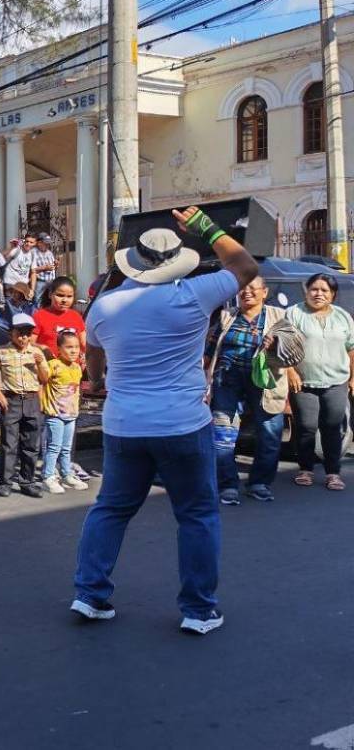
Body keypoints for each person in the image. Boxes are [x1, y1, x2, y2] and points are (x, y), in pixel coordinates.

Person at [73, 207, 257, 635]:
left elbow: (95, 361)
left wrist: (99, 381)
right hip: (182, 423)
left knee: (111, 510)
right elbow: (245, 265)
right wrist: (205, 227)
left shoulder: (104, 307)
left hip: (124, 424)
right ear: (178, 260)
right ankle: (198, 609)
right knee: (196, 515)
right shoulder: (195, 293)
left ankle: (90, 593)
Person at [203, 276, 290, 503]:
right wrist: (201, 381)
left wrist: (276, 344)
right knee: (222, 436)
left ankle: (259, 483)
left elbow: (294, 351)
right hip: (227, 380)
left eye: (253, 288)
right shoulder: (227, 316)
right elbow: (209, 351)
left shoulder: (279, 316)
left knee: (269, 434)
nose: (246, 292)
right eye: (242, 288)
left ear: (264, 292)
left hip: (265, 382)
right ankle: (228, 485)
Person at [286, 273, 354, 491]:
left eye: (324, 290)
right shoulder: (294, 313)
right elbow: (282, 346)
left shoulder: (343, 317)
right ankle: (305, 469)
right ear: (306, 291)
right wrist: (290, 372)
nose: (318, 294)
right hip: (303, 382)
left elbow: (351, 348)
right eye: (314, 289)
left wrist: (353, 376)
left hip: (336, 381)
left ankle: (333, 473)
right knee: (306, 427)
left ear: (332, 294)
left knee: (332, 428)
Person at [0, 312, 47, 499]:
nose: (24, 338)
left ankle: (27, 481)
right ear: (11, 333)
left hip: (31, 400)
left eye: (28, 334)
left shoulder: (37, 353)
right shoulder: (2, 351)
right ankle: (5, 482)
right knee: (9, 444)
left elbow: (44, 379)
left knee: (31, 444)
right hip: (11, 401)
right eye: (20, 333)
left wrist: (39, 366)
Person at [41, 331, 86, 494]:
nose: (74, 351)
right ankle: (48, 476)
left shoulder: (77, 368)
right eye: (69, 347)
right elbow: (42, 382)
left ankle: (67, 474)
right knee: (54, 447)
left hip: (71, 415)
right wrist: (45, 405)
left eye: (76, 347)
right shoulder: (53, 365)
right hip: (55, 415)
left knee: (66, 448)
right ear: (59, 349)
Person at [33, 276, 86, 356]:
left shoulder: (76, 316)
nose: (64, 300)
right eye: (60, 295)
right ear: (50, 294)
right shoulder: (39, 316)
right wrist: (42, 348)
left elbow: (84, 343)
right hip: (48, 366)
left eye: (69, 296)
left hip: (73, 367)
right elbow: (29, 343)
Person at [2, 233, 38, 300]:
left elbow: (33, 273)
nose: (28, 244)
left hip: (22, 286)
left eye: (31, 242)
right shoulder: (17, 250)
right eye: (27, 241)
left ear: (35, 243)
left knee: (21, 307)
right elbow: (3, 256)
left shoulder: (33, 255)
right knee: (11, 307)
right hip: (10, 283)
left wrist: (32, 290)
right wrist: (11, 247)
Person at [33, 233, 58, 301]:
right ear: (39, 243)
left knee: (50, 301)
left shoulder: (49, 252)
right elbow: (31, 270)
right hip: (40, 282)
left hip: (51, 281)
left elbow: (52, 267)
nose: (47, 245)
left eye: (48, 243)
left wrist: (56, 264)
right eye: (45, 243)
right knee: (38, 302)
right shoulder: (33, 253)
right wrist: (44, 268)